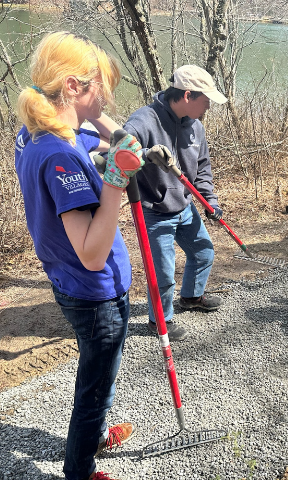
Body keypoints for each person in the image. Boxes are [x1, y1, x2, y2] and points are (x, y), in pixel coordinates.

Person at [15, 32, 143, 480]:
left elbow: (92, 129)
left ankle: (93, 435)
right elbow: (91, 252)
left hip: (74, 282)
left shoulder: (35, 131)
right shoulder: (61, 158)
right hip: (94, 289)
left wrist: (119, 141)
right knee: (94, 390)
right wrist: (115, 180)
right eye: (100, 89)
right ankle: (79, 469)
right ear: (72, 87)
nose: (106, 100)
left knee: (101, 380)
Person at [123, 65, 228, 341]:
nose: (208, 107)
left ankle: (191, 298)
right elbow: (119, 150)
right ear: (187, 96)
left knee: (204, 252)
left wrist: (210, 201)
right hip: (154, 211)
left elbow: (202, 169)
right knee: (163, 273)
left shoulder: (196, 127)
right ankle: (159, 321)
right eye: (205, 101)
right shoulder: (145, 120)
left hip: (184, 205)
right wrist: (146, 154)